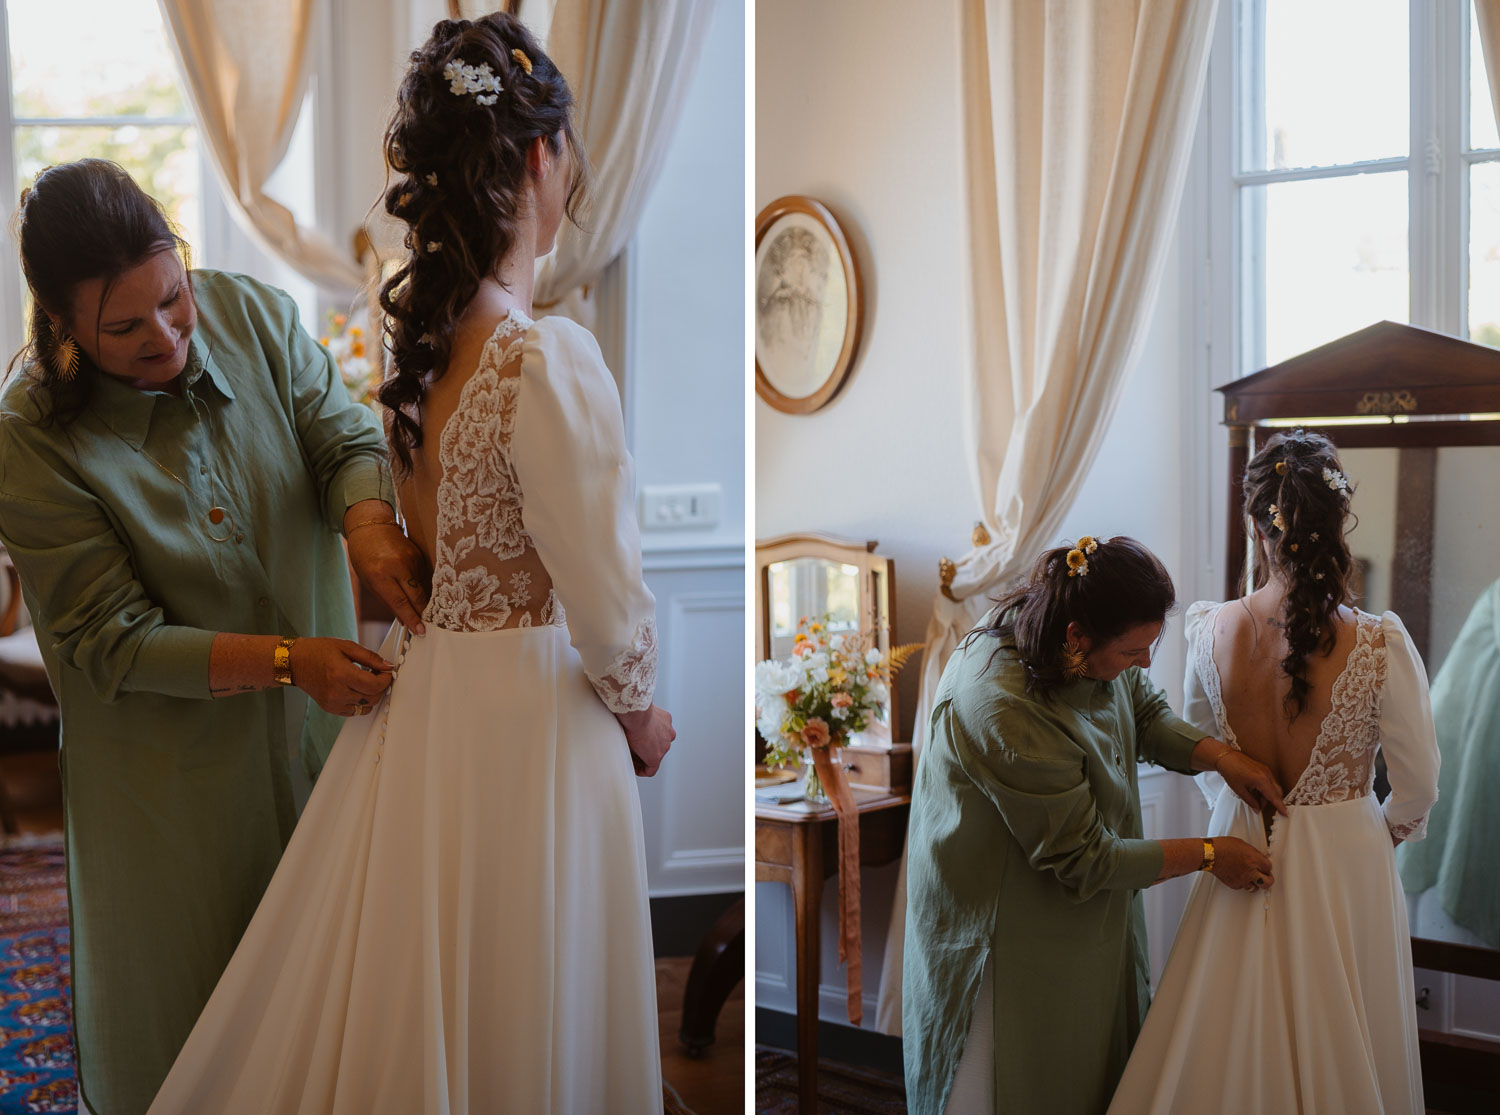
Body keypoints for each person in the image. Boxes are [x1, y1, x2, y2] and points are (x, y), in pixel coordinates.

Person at [149, 14, 675, 1113]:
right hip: (534, 725)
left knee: (432, 976)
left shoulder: (424, 351)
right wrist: (642, 716)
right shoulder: (545, 357)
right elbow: (601, 591)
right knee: (528, 985)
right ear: (541, 158)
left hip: (431, 706)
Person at [0, 159, 430, 1115]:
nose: (164, 336)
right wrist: (287, 662)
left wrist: (368, 523)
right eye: (124, 328)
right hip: (171, 785)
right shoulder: (27, 436)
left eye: (172, 297)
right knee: (199, 1020)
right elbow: (112, 638)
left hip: (325, 737)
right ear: (61, 325)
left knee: (336, 1003)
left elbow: (343, 439)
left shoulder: (256, 317)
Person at [1108, 429, 1440, 1114]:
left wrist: (1238, 802)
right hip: (1346, 859)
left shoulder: (1209, 629)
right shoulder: (1378, 643)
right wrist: (1378, 828)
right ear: (1335, 523)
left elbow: (1200, 748)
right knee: (1348, 1030)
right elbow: (1419, 785)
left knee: (1229, 1027)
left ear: (1257, 527)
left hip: (1239, 839)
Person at [903, 536, 1287, 1115]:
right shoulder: (1002, 704)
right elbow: (1085, 858)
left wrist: (1222, 757)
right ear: (1077, 637)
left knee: (1089, 1067)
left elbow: (1145, 712)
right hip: (1003, 925)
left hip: (1080, 909)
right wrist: (1211, 854)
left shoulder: (1080, 635)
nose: (1145, 662)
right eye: (1133, 651)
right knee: (1015, 1079)